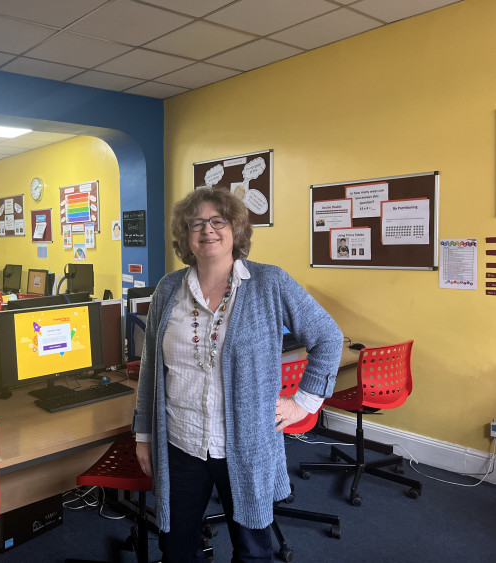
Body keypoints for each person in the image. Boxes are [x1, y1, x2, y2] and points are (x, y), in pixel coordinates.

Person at [132, 188, 343, 562]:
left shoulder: (269, 283)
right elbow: (151, 368)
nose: (207, 230)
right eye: (196, 222)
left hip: (245, 447)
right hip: (181, 443)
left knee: (253, 550)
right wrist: (144, 435)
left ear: (236, 230)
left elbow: (327, 337)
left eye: (218, 221)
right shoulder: (168, 289)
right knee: (176, 547)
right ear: (185, 234)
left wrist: (303, 403)